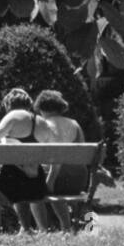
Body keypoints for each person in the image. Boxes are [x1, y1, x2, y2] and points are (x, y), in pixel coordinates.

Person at [0, 88, 52, 232]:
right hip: (37, 178)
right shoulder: (41, 121)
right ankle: (41, 229)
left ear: (8, 104)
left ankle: (20, 227)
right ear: (28, 104)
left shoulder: (13, 116)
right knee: (29, 192)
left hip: (14, 177)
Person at [33, 90, 87, 232]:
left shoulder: (44, 125)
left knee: (29, 188)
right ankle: (66, 227)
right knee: (56, 193)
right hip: (78, 180)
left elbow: (56, 156)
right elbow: (82, 153)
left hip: (57, 179)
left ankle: (43, 230)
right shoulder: (74, 124)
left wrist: (49, 181)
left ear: (42, 108)